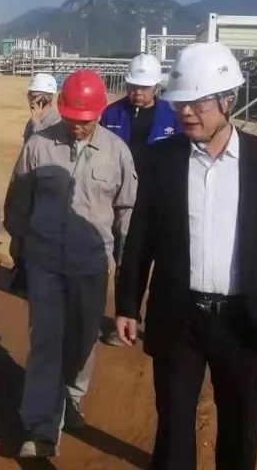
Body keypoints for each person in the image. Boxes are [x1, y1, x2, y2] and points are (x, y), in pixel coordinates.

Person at [115, 42, 257, 470]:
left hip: (245, 320)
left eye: (198, 103)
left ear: (229, 101)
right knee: (172, 429)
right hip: (179, 316)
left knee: (240, 429)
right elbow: (141, 237)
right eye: (180, 104)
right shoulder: (160, 161)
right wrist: (127, 304)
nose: (186, 113)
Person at [4, 69, 138, 459]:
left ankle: (73, 396)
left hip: (91, 266)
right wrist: (20, 248)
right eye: (71, 118)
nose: (77, 126)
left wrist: (125, 263)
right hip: (44, 262)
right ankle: (40, 428)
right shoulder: (39, 145)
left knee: (82, 339)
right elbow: (18, 200)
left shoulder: (117, 151)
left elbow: (127, 212)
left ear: (99, 113)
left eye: (85, 120)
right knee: (45, 342)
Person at [99, 52, 180, 347]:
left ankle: (160, 326)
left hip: (163, 200)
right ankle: (127, 318)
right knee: (128, 263)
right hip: (125, 202)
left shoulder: (173, 116)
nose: (138, 93)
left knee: (167, 266)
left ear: (157, 87)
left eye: (144, 88)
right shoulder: (112, 115)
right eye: (133, 86)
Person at [10, 72, 61, 298]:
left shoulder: (54, 122)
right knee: (18, 228)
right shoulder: (32, 120)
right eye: (31, 95)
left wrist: (37, 122)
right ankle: (21, 269)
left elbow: (45, 153)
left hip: (41, 186)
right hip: (25, 181)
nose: (32, 99)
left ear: (48, 98)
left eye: (37, 96)